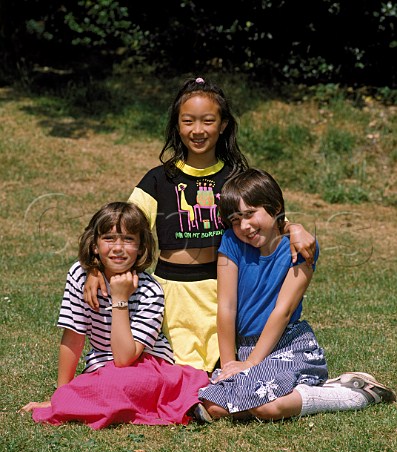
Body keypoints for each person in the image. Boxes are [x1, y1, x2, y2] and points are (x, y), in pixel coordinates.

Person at [84, 77, 317, 373]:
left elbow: (265, 222)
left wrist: (294, 228)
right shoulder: (158, 179)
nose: (197, 130)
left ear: (222, 125)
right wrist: (94, 268)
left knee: (219, 373)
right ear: (177, 126)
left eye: (208, 121)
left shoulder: (236, 178)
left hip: (223, 290)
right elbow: (120, 228)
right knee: (174, 372)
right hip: (170, 292)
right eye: (188, 121)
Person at [198, 168, 396, 421]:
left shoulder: (300, 248)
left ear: (275, 206)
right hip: (247, 348)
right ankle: (307, 389)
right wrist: (229, 365)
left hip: (290, 345)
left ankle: (354, 393)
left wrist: (249, 365)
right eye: (236, 220)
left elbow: (284, 311)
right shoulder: (231, 242)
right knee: (214, 406)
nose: (244, 226)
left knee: (266, 407)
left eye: (250, 214)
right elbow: (226, 307)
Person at [19, 202, 210, 429]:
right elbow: (73, 338)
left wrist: (120, 299)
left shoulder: (150, 291)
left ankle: (177, 399)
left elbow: (124, 358)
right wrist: (59, 396)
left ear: (141, 247)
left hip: (144, 366)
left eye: (128, 240)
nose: (118, 247)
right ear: (94, 245)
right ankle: (81, 401)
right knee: (103, 382)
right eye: (109, 238)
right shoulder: (79, 276)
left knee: (122, 382)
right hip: (102, 368)